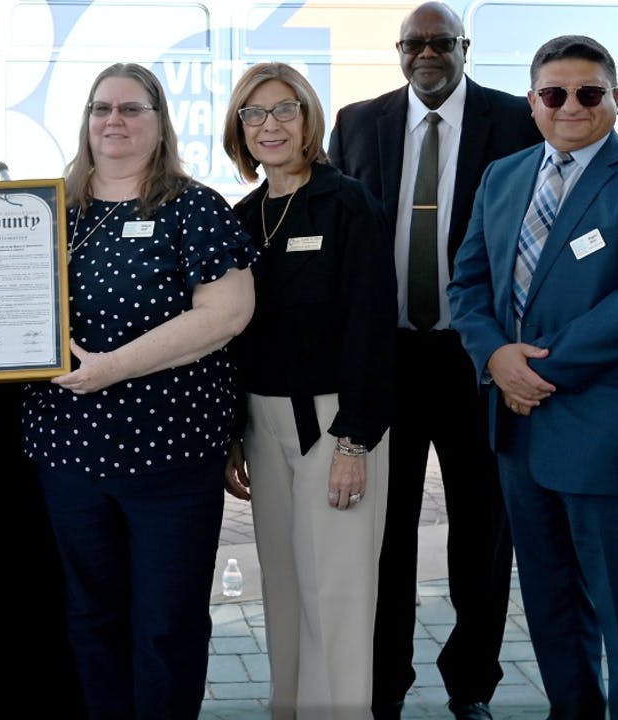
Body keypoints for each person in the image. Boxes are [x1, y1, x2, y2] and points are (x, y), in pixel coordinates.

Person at [447, 35, 618, 718]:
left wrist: (532, 367)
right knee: (553, 614)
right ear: (532, 102)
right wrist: (494, 357)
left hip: (611, 442)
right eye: (554, 94)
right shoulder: (504, 177)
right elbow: (467, 283)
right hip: (520, 439)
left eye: (589, 93)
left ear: (617, 99)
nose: (571, 107)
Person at [22, 62, 255, 718]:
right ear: (86, 122)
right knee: (90, 617)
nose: (114, 122)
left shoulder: (193, 207)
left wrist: (112, 366)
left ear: (159, 124)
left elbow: (227, 315)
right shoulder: (50, 207)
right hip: (68, 455)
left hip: (171, 458)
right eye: (102, 109)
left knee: (167, 623)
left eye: (131, 109)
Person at [326, 6, 540, 717]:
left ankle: (471, 683)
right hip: (386, 358)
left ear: (463, 47)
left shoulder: (515, 120)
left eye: (440, 41)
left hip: (475, 357)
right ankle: (383, 685)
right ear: (398, 52)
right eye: (414, 43)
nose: (426, 53)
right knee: (383, 535)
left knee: (483, 534)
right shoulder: (358, 123)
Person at [221, 62, 396, 718]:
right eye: (254, 114)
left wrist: (355, 436)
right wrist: (236, 429)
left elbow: (372, 328)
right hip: (263, 428)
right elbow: (236, 336)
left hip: (335, 425)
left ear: (308, 119)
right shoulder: (241, 215)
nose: (270, 125)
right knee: (288, 590)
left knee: (338, 595)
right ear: (240, 128)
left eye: (283, 110)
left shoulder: (349, 203)